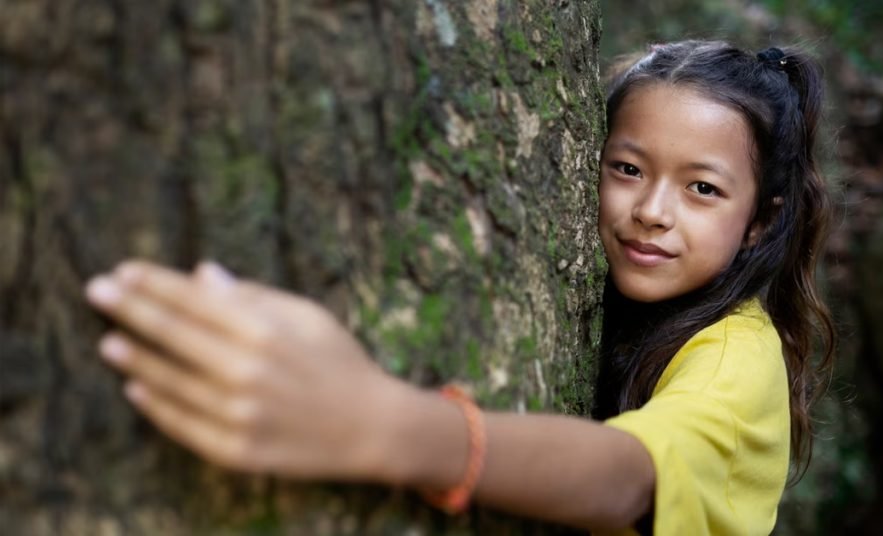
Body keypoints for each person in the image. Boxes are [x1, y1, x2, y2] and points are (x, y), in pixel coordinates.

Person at [84, 39, 835, 535]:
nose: (651, 211)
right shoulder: (613, 304)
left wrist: (383, 426)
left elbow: (628, 479)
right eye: (627, 168)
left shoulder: (738, 354)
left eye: (702, 189)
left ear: (760, 223)